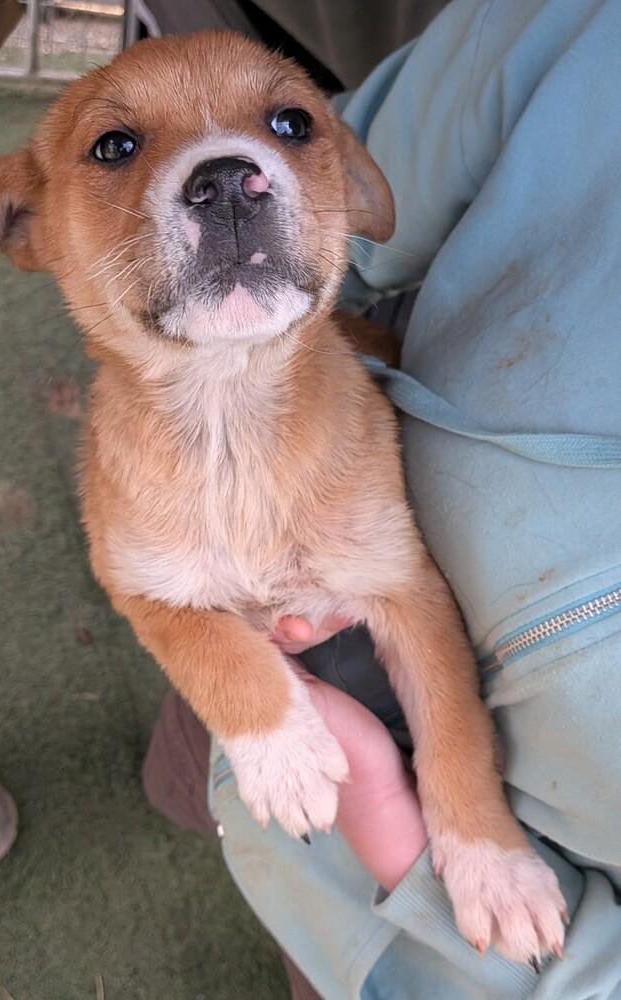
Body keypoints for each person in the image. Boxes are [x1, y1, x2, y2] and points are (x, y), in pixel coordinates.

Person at [150, 0, 621, 996]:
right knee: (198, 765)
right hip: (264, 663)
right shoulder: (587, 36)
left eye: (280, 125)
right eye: (117, 143)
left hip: (453, 927)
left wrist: (414, 846)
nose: (231, 176)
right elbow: (341, 183)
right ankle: (182, 786)